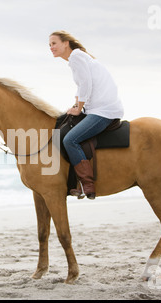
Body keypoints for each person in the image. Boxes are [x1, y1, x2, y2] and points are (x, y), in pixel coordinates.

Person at [49, 30, 124, 199]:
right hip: (95, 108)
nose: (51, 47)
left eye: (54, 43)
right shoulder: (77, 58)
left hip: (103, 110)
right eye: (50, 45)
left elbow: (85, 84)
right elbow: (81, 87)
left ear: (66, 43)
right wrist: (76, 105)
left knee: (70, 139)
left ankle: (86, 184)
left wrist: (77, 107)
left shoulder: (76, 56)